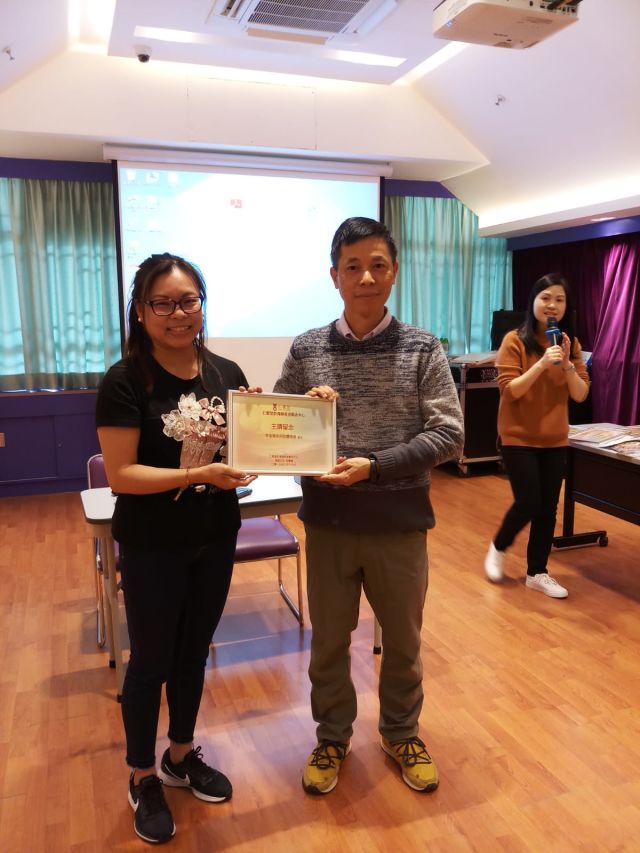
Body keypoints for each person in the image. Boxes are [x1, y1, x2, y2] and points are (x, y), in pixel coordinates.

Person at [273, 217, 464, 795]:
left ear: (394, 271)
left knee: (403, 643)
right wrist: (297, 412)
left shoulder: (422, 347)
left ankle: (401, 733)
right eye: (352, 266)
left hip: (399, 525)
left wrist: (374, 466)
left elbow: (449, 434)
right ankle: (332, 737)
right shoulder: (307, 348)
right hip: (329, 524)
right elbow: (280, 426)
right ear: (334, 276)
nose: (365, 278)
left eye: (377, 265)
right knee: (329, 642)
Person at [96, 253, 258, 844]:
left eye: (188, 300)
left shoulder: (226, 372)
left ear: (201, 305)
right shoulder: (124, 380)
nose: (177, 313)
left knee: (193, 655)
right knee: (150, 662)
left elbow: (238, 457)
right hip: (153, 544)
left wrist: (260, 435)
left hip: (214, 536)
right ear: (140, 312)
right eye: (162, 303)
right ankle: (143, 775)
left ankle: (180, 756)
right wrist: (198, 475)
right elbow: (122, 475)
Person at [484, 273, 590, 598]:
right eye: (545, 298)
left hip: (554, 438)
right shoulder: (514, 340)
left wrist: (568, 363)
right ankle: (499, 546)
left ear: (566, 306)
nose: (552, 305)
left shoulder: (570, 344)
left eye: (559, 299)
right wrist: (543, 363)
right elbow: (510, 391)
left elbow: (580, 394)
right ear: (533, 302)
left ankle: (537, 572)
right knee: (529, 501)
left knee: (548, 508)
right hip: (518, 437)